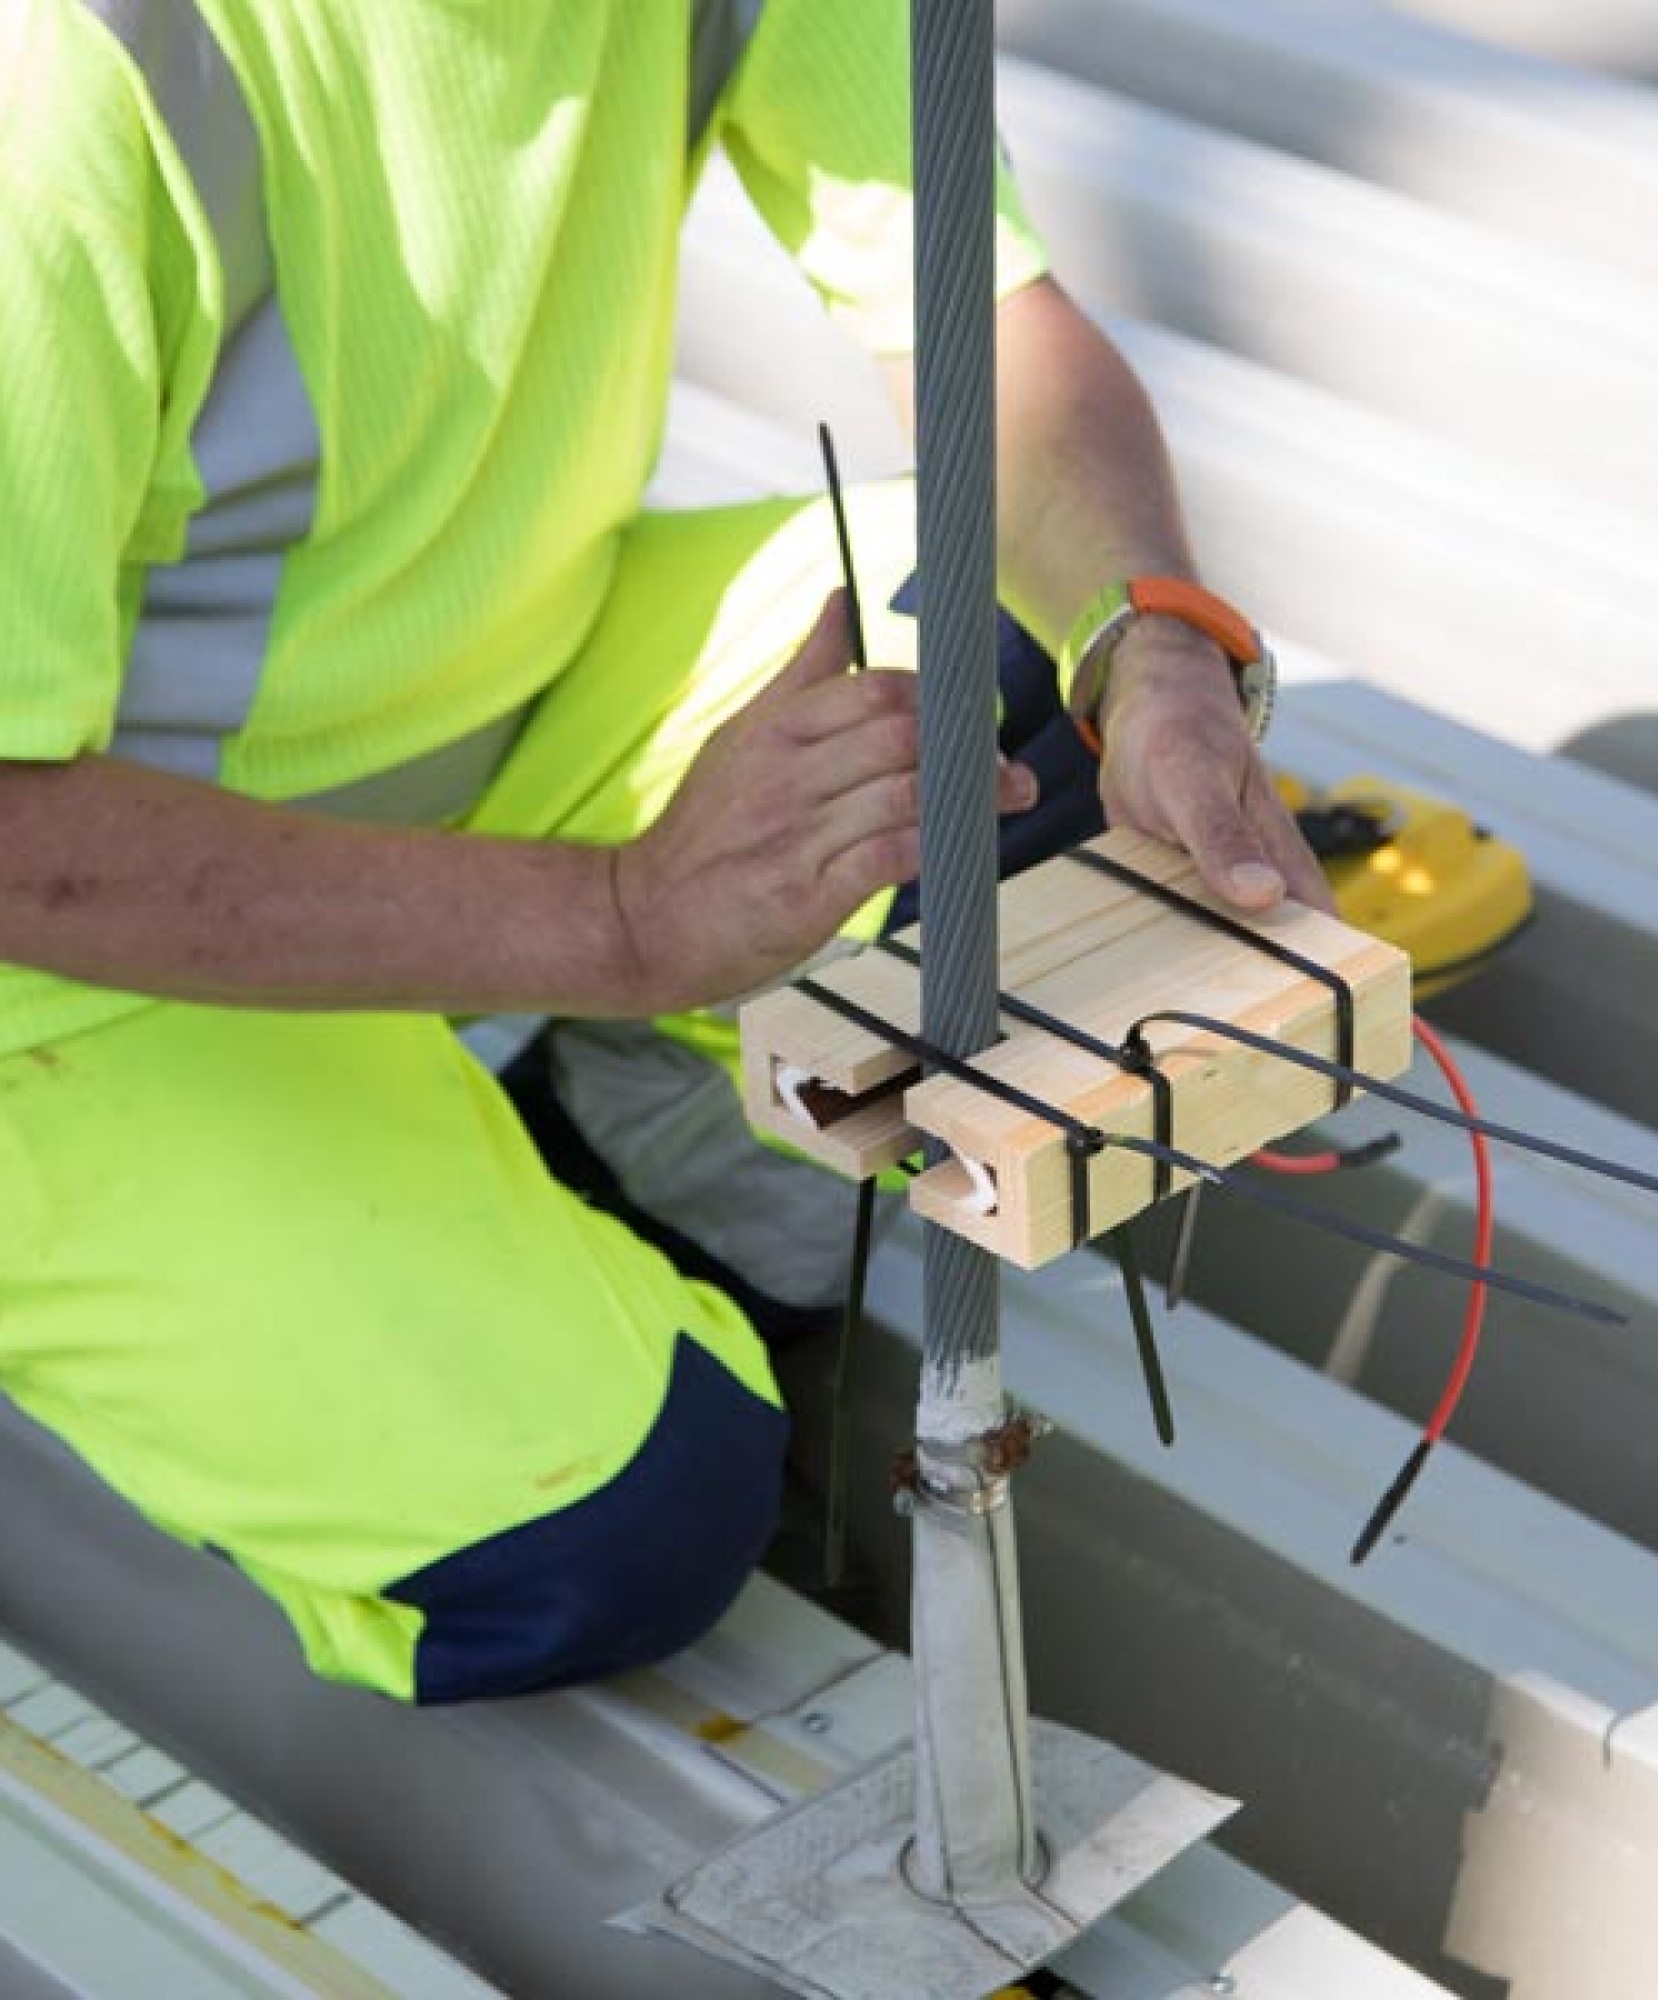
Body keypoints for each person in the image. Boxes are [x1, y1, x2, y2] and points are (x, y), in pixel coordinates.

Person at [0, 0, 1326, 1703]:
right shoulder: (68, 73)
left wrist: (1155, 640)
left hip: (499, 707)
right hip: (71, 958)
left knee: (1017, 700)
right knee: (619, 1525)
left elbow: (981, 320)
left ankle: (575, 1139)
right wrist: (621, 920)